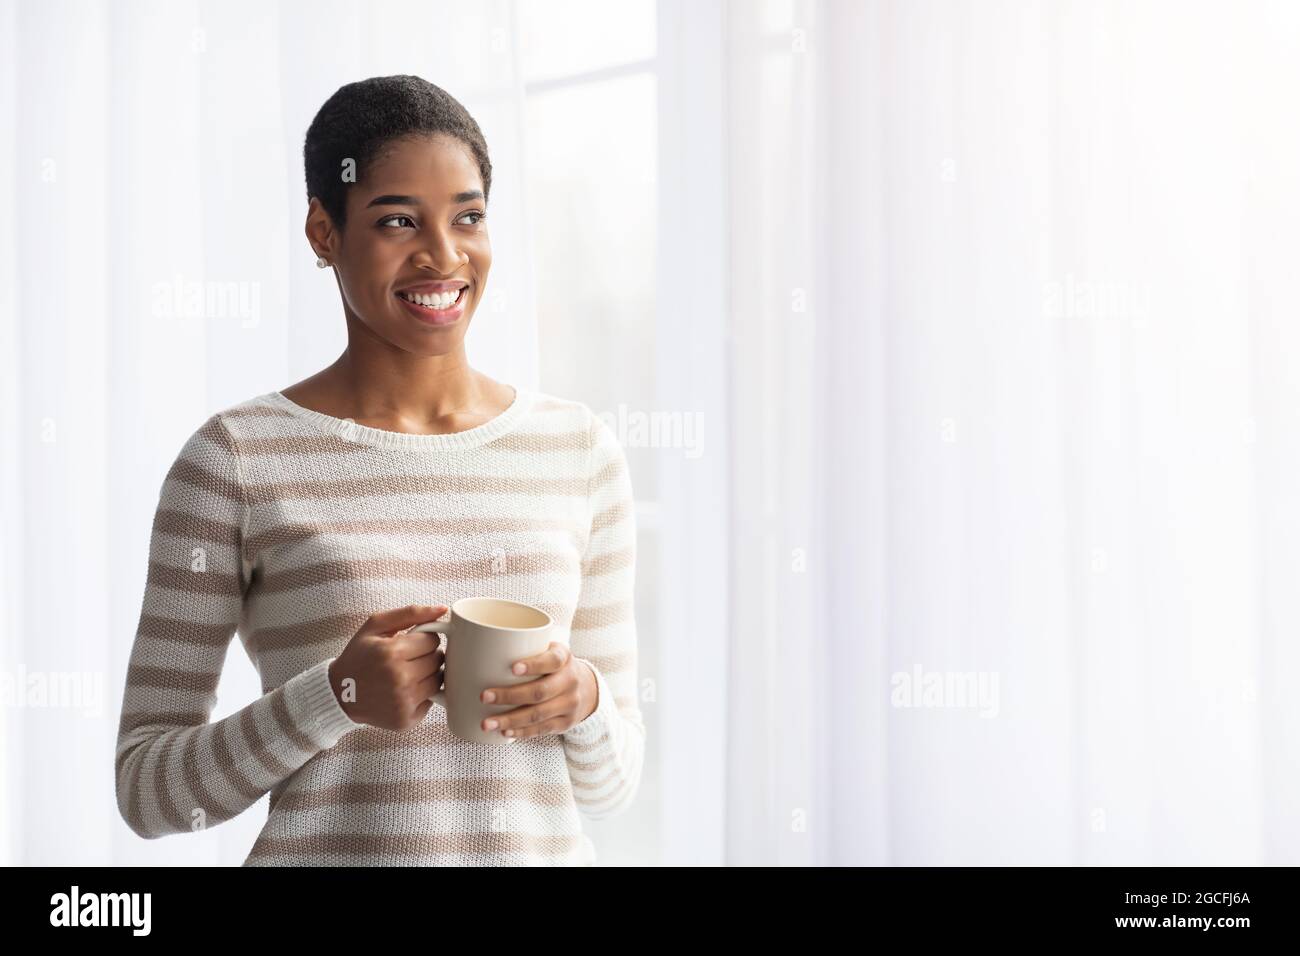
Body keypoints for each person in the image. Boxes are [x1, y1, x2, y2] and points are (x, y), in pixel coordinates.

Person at [113, 75, 645, 865]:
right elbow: (149, 794)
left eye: (468, 217)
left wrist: (586, 702)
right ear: (324, 233)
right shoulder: (233, 459)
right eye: (398, 220)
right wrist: (333, 697)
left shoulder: (578, 448)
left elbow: (612, 786)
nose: (443, 255)